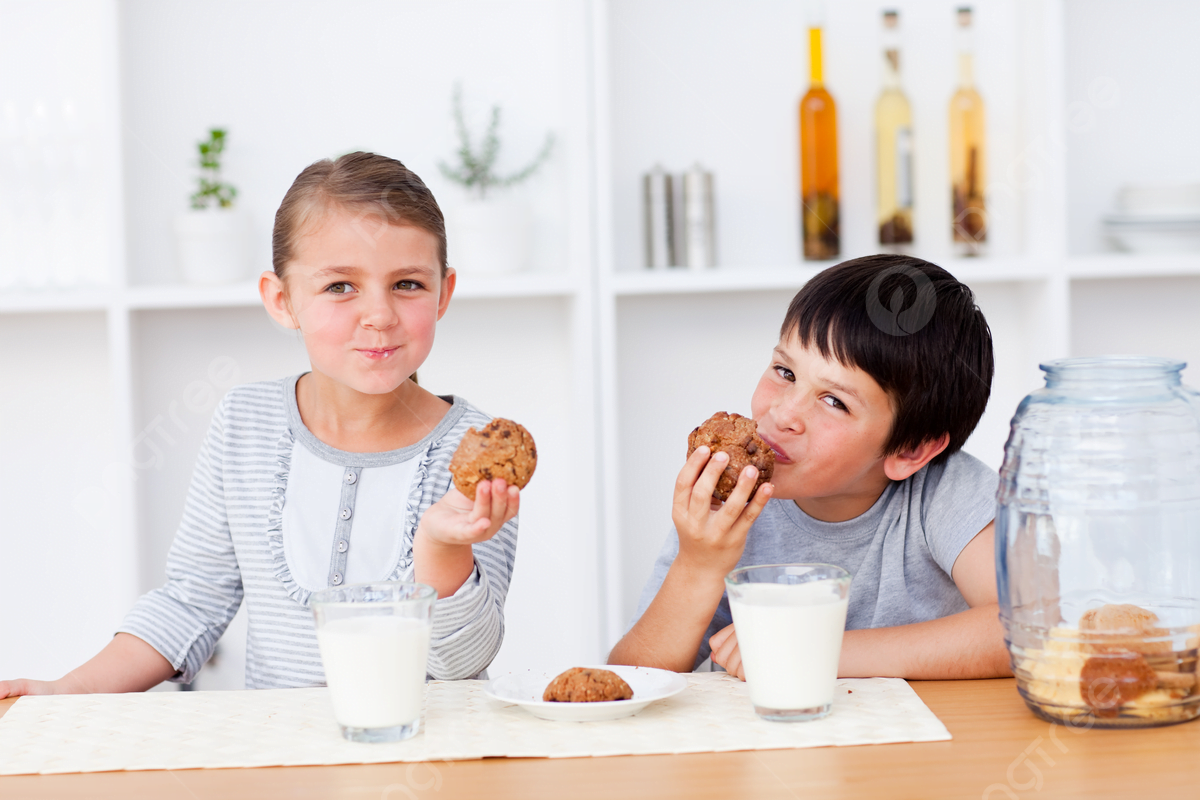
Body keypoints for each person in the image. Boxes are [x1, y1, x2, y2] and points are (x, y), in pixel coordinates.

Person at [0, 152, 519, 696]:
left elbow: (464, 663)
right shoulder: (244, 424)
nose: (379, 314)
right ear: (282, 300)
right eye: (340, 286)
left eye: (407, 283)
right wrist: (66, 692)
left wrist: (441, 545)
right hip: (277, 760)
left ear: (444, 293)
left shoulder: (477, 450)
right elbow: (191, 602)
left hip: (424, 766)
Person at [609, 254, 1009, 680]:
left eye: (834, 401)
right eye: (785, 371)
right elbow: (632, 681)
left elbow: (1031, 628)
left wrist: (820, 650)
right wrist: (699, 563)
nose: (783, 414)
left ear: (910, 451)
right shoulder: (725, 509)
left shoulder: (946, 493)